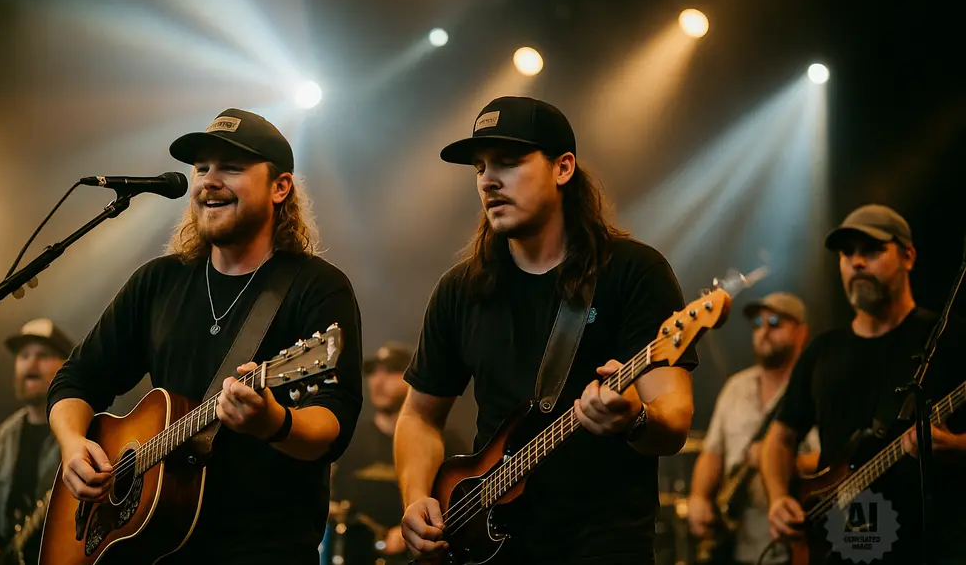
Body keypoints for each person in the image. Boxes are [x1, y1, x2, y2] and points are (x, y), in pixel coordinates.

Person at [46, 108, 363, 565]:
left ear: (280, 187)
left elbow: (333, 424)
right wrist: (73, 444)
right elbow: (77, 379)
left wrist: (274, 422)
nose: (208, 181)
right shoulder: (158, 282)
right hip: (151, 553)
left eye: (230, 168)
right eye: (201, 169)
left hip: (262, 551)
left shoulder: (316, 287)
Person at [394, 96, 697, 564]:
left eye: (510, 163)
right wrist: (416, 498)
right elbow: (418, 416)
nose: (489, 180)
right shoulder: (461, 289)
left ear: (563, 168)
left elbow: (674, 419)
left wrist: (634, 418)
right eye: (479, 168)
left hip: (602, 543)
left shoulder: (632, 273)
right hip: (486, 545)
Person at [761, 204, 966, 563]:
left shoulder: (949, 337)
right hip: (834, 548)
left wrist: (959, 446)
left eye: (871, 250)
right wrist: (779, 497)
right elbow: (779, 438)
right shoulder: (822, 351)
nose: (856, 262)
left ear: (908, 256)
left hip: (926, 548)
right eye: (847, 253)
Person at [687, 293, 820, 565]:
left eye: (775, 322)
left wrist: (781, 461)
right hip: (737, 541)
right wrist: (698, 496)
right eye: (758, 324)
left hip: (796, 543)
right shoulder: (736, 387)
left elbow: (835, 461)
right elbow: (713, 452)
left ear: (802, 332)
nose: (764, 331)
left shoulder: (816, 388)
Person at [329, 343, 468, 565]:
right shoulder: (349, 438)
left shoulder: (446, 442)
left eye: (391, 369)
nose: (378, 380)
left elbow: (465, 503)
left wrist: (416, 532)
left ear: (415, 376)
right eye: (372, 371)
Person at [0, 319, 73, 565]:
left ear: (67, 365)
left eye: (43, 355)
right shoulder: (1, 439)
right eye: (24, 355)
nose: (31, 364)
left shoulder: (85, 428)